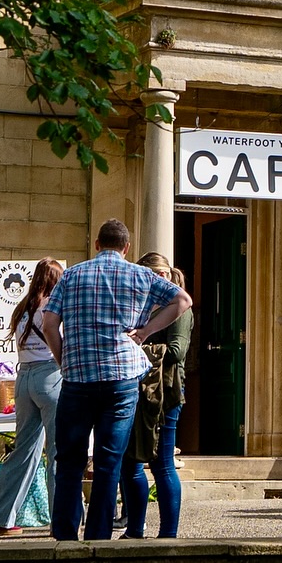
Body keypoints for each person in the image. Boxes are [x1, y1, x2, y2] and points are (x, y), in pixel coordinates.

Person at [40, 218, 191, 542]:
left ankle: (65, 537)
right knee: (109, 461)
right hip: (121, 378)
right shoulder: (141, 275)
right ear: (126, 247)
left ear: (97, 245)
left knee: (69, 461)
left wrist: (64, 360)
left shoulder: (72, 275)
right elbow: (183, 301)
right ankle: (98, 538)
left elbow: (49, 324)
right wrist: (146, 331)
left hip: (78, 378)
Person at [0, 257, 63, 535]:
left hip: (23, 378)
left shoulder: (22, 308)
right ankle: (62, 520)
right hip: (50, 375)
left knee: (23, 451)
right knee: (58, 452)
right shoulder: (53, 306)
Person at [120, 255, 193, 539]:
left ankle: (167, 535)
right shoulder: (140, 306)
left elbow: (176, 351)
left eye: (146, 276)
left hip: (167, 392)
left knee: (162, 463)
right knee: (130, 462)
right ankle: (134, 530)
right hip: (136, 388)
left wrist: (136, 342)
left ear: (162, 276)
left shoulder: (179, 308)